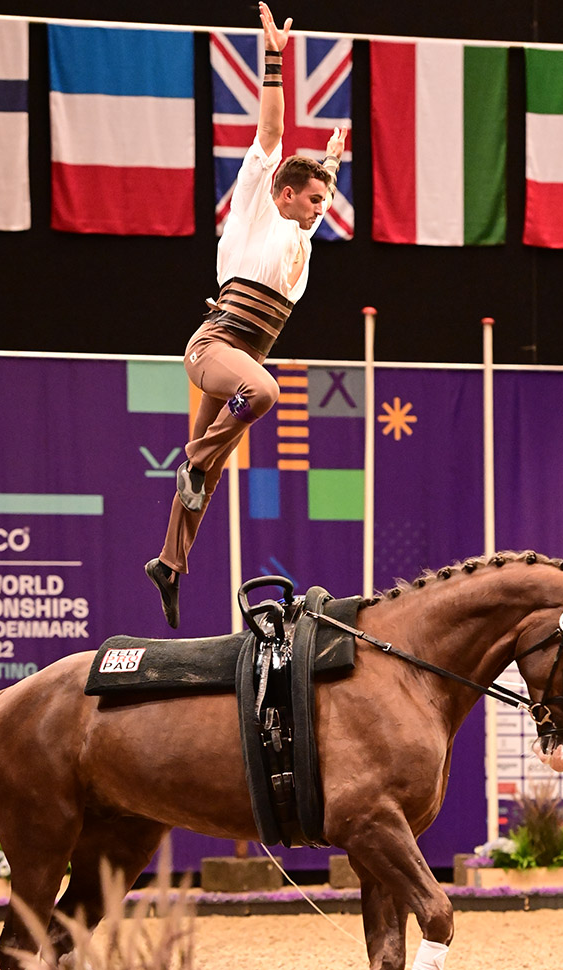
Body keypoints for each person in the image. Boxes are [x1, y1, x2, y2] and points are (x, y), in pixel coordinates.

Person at [145, 1, 347, 628]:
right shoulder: (258, 206)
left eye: (327, 200)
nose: (321, 208)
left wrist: (332, 163)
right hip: (213, 351)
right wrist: (273, 61)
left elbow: (316, 183)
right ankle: (195, 464)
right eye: (313, 199)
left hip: (240, 359)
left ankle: (168, 564)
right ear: (281, 193)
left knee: (210, 473)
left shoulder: (303, 234)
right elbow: (272, 134)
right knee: (261, 393)